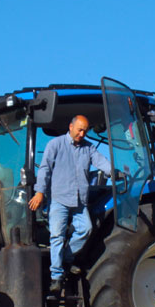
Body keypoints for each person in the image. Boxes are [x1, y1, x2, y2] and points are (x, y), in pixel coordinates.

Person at [29, 115, 112, 293]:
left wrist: (115, 172)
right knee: (57, 236)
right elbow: (45, 169)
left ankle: (66, 258)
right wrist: (39, 192)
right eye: (79, 130)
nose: (82, 134)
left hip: (79, 201)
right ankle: (56, 277)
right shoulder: (56, 145)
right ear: (71, 127)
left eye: (85, 131)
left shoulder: (88, 148)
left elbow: (102, 162)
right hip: (59, 198)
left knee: (86, 229)